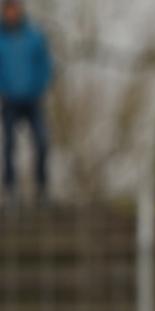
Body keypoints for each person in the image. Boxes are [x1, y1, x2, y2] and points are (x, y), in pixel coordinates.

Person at [0, 0, 52, 208]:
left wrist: (39, 87)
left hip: (33, 99)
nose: (12, 14)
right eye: (8, 10)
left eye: (15, 10)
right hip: (10, 100)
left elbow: (46, 65)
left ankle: (42, 188)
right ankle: (10, 189)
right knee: (9, 145)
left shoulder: (35, 36)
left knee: (42, 141)